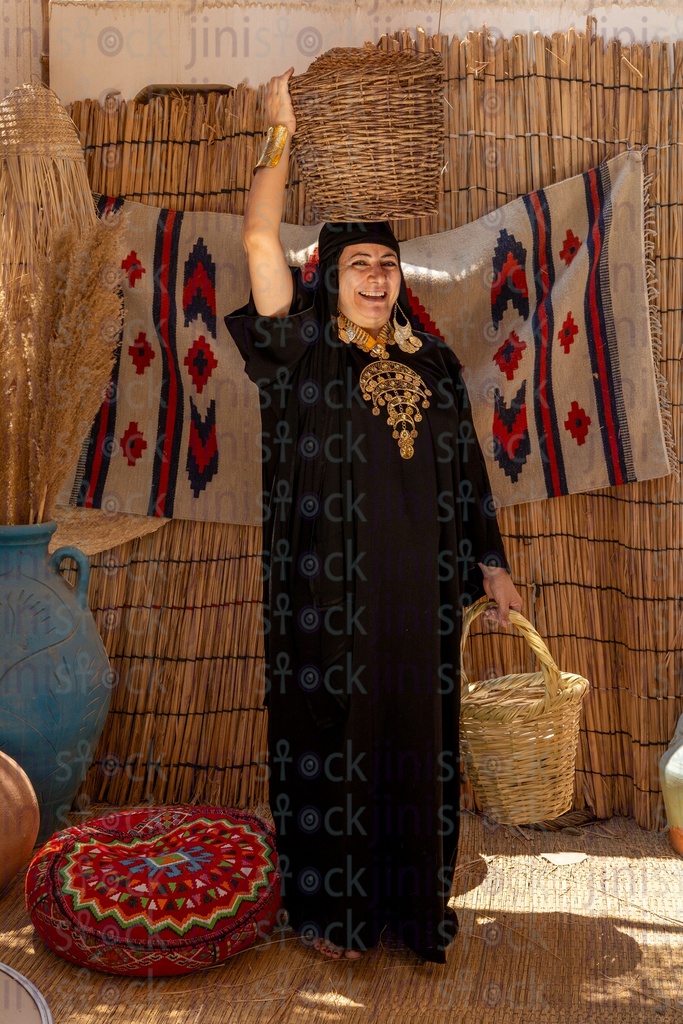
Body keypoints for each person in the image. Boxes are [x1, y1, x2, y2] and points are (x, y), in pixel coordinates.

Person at [225, 69, 523, 963]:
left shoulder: (430, 362)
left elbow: (466, 473)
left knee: (414, 744)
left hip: (417, 607)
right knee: (333, 739)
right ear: (329, 277)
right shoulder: (301, 351)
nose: (377, 278)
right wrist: (280, 135)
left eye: (387, 265)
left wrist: (492, 566)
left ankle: (408, 912)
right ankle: (333, 919)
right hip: (328, 605)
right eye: (359, 264)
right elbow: (253, 238)